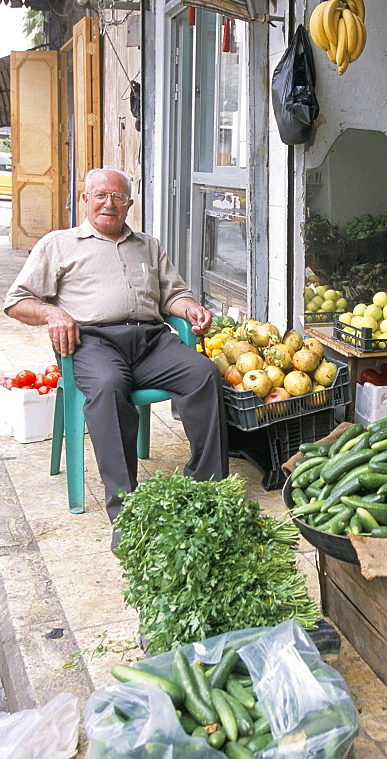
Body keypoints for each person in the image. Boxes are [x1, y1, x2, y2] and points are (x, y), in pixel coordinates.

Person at [3, 168, 228, 548]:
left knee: (203, 373)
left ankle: (208, 490)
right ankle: (129, 510)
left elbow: (173, 294)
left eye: (119, 197)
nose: (110, 203)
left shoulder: (149, 245)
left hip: (151, 341)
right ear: (85, 199)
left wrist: (189, 308)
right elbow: (16, 302)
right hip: (92, 342)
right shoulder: (59, 244)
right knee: (108, 387)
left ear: (129, 204)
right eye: (101, 195)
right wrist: (53, 314)